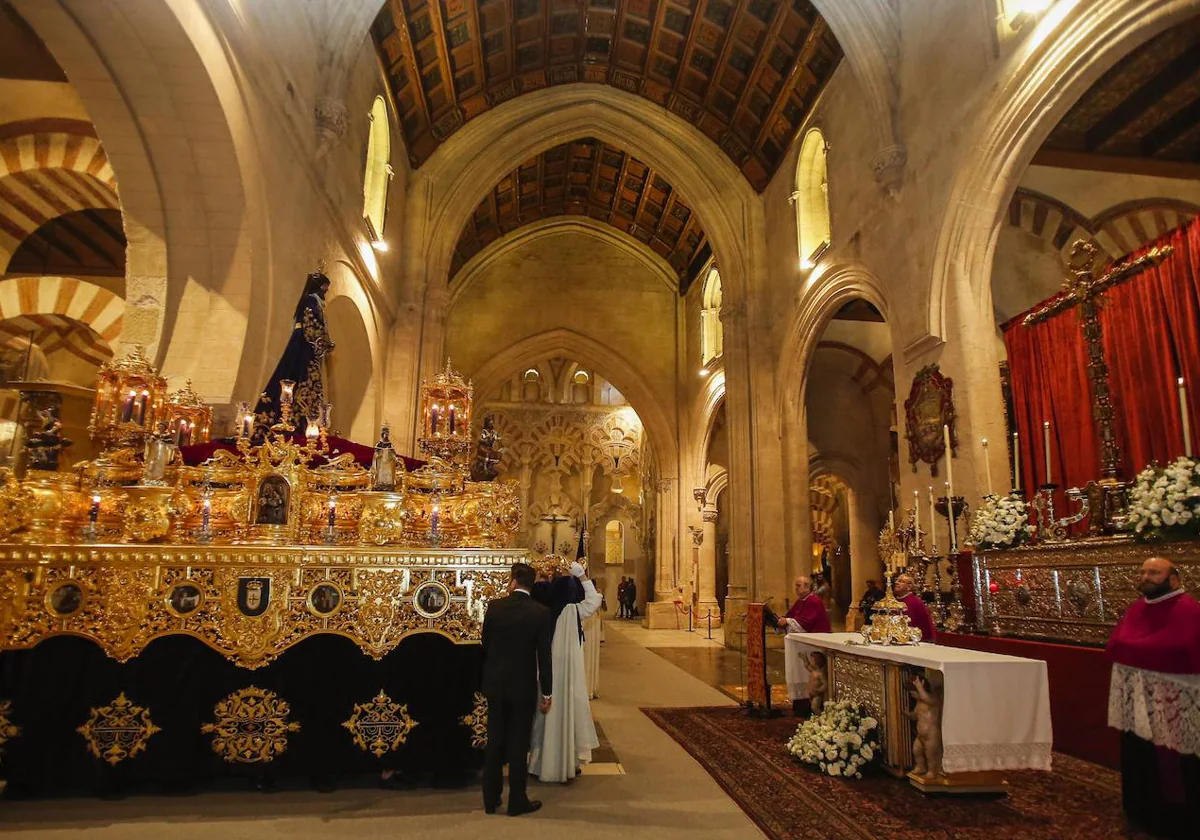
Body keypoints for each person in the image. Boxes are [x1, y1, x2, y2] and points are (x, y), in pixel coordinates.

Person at [1106, 557, 1200, 839]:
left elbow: (1183, 646)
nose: (1146, 576)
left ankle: (1177, 820)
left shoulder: (1188, 609)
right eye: (1144, 571)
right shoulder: (1138, 608)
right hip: (1138, 695)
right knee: (1140, 754)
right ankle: (1141, 810)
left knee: (1175, 762)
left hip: (1175, 699)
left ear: (1174, 578)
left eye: (1155, 572)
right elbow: (1118, 643)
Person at [480, 562, 553, 817]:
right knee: (518, 743)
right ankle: (517, 800)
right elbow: (544, 656)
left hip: (495, 683)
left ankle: (490, 799)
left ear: (512, 581)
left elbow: (485, 643)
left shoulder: (495, 607)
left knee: (495, 741)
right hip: (522, 686)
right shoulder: (540, 613)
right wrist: (547, 692)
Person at [529, 561, 603, 782]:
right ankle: (567, 762)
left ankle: (539, 763)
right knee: (567, 714)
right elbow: (593, 601)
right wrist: (582, 577)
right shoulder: (572, 611)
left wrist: (541, 577)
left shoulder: (539, 610)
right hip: (568, 676)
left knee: (543, 717)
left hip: (545, 672)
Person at [254, 270, 335, 430]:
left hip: (308, 344)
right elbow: (311, 323)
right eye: (325, 287)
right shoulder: (310, 301)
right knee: (300, 375)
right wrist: (323, 343)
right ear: (319, 286)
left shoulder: (316, 302)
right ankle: (296, 422)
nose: (326, 291)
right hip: (304, 343)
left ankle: (305, 423)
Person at [894, 574, 935, 642]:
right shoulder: (894, 601)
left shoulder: (915, 603)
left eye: (901, 581)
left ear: (909, 586)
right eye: (897, 580)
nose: (896, 583)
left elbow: (924, 626)